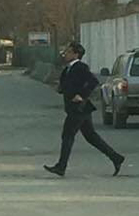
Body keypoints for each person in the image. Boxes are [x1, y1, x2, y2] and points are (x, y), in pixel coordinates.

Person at [44, 42, 125, 177]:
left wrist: (81, 95)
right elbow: (67, 85)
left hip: (79, 108)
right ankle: (116, 158)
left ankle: (61, 166)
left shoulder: (81, 67)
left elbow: (93, 81)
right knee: (91, 137)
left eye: (69, 52)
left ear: (76, 54)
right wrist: (61, 89)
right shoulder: (68, 68)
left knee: (67, 136)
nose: (65, 54)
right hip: (79, 109)